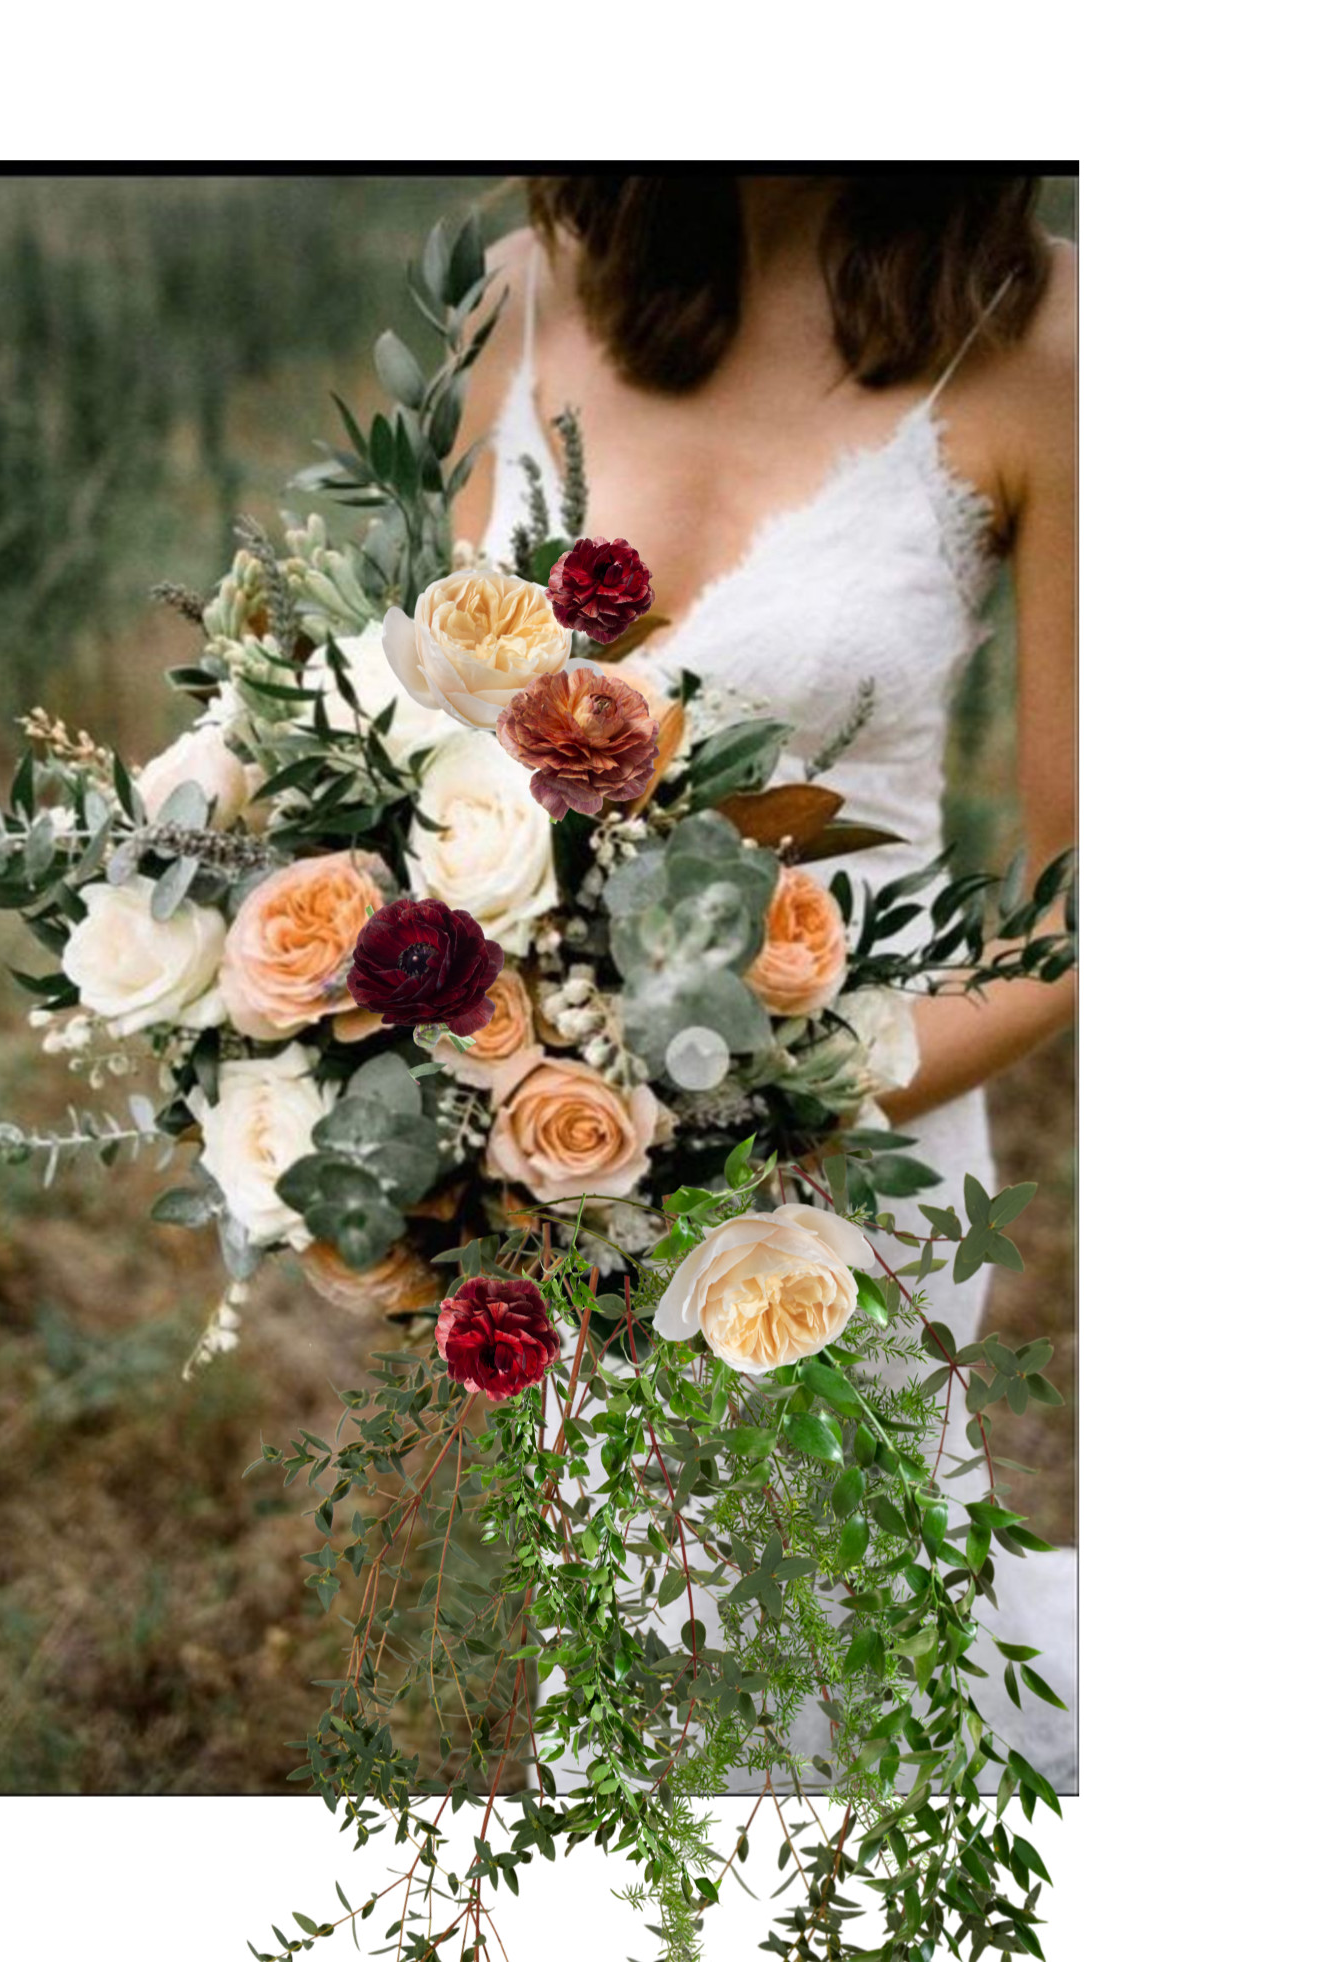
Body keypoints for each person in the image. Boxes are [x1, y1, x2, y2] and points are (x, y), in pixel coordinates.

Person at [446, 175, 1080, 1794]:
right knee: (642, 1662)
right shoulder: (511, 289)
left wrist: (782, 1103)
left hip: (862, 1141)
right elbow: (422, 751)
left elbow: (1069, 906)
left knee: (861, 1677)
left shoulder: (1044, 336)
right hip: (562, 1146)